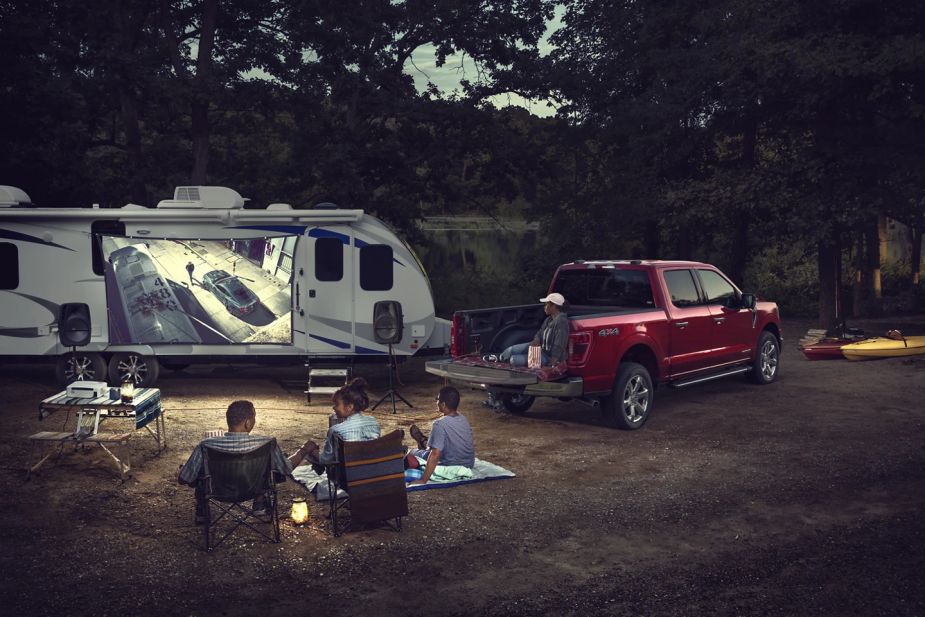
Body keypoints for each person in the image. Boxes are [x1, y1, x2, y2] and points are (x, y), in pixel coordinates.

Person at [178, 400, 315, 522]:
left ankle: (202, 510)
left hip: (217, 492)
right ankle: (260, 503)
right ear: (247, 423)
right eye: (254, 417)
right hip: (253, 490)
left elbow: (184, 478)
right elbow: (285, 468)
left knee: (201, 470)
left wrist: (187, 469)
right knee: (269, 467)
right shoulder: (266, 444)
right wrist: (303, 451)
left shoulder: (206, 445)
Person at [301, 377, 381, 470]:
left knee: (310, 453)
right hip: (372, 472)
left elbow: (325, 460)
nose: (333, 408)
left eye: (336, 404)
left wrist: (313, 451)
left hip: (350, 477)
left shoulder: (336, 431)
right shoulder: (373, 422)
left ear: (350, 407)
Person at [407, 386, 475, 485]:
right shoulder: (463, 418)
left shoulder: (439, 424)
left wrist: (423, 480)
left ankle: (423, 442)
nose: (436, 402)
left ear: (443, 405)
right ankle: (425, 442)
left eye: (437, 399)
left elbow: (435, 455)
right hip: (469, 464)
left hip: (449, 465)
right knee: (434, 447)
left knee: (412, 453)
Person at [491, 292, 569, 367]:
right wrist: (537, 340)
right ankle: (495, 360)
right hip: (540, 350)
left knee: (514, 360)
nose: (544, 307)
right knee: (509, 351)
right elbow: (539, 332)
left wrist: (552, 362)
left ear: (554, 306)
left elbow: (559, 344)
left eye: (546, 304)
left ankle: (501, 365)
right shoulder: (548, 319)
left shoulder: (561, 322)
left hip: (548, 358)